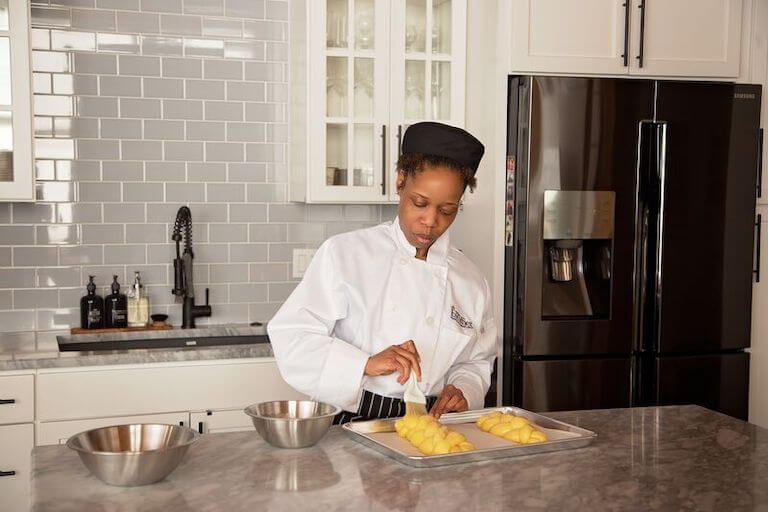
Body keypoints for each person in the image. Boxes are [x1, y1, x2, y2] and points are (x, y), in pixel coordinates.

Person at [268, 122, 497, 424]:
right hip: (354, 421)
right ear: (401, 181)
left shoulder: (471, 281)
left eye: (447, 210)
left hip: (432, 426)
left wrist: (465, 388)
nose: (430, 221)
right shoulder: (345, 254)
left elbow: (476, 360)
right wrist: (365, 363)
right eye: (420, 203)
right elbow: (292, 337)